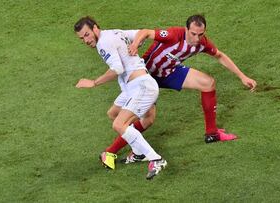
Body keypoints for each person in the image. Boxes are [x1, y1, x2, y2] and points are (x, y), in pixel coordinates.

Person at [103, 14, 257, 164]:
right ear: (186, 29)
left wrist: (242, 76)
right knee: (147, 119)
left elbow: (220, 56)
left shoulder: (202, 43)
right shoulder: (173, 34)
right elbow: (145, 32)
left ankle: (212, 133)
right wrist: (135, 44)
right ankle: (110, 152)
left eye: (200, 34)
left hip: (170, 72)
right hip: (147, 77)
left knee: (208, 83)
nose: (196, 39)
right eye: (193, 34)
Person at [73, 16, 167, 180]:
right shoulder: (115, 33)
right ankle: (138, 152)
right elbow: (141, 33)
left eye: (87, 34)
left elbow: (117, 68)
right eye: (82, 38)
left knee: (119, 124)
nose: (86, 40)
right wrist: (135, 43)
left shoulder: (103, 43)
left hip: (142, 86)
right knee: (113, 113)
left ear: (95, 28)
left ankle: (156, 159)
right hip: (133, 88)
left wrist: (94, 82)